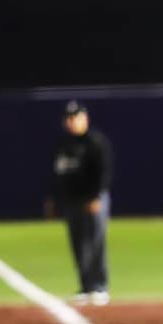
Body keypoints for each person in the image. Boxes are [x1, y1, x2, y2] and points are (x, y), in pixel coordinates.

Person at [45, 100, 112, 305]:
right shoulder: (63, 145)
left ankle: (99, 287)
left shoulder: (95, 142)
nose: (72, 121)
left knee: (95, 242)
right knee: (78, 244)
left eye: (75, 117)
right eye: (69, 118)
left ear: (85, 119)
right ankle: (85, 287)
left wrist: (95, 197)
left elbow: (104, 172)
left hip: (92, 200)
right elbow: (58, 174)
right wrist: (54, 199)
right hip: (71, 201)